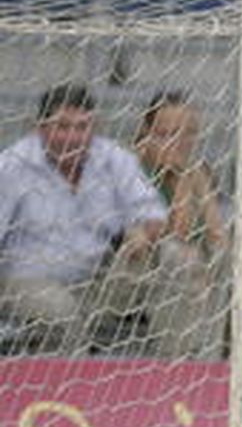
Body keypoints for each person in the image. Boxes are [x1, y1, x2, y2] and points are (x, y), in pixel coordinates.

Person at [0, 83, 167, 354]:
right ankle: (79, 386)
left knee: (174, 256)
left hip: (97, 282)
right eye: (63, 127)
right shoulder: (11, 165)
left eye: (82, 127)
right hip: (26, 283)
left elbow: (153, 213)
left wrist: (140, 232)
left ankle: (186, 371)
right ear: (39, 127)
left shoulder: (113, 157)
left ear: (95, 126)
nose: (73, 137)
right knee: (60, 310)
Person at [129, 90, 230, 357]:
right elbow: (178, 230)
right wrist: (179, 176)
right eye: (166, 133)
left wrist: (190, 174)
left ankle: (213, 356)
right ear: (146, 132)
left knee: (228, 258)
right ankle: (175, 361)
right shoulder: (131, 169)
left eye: (187, 134)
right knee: (178, 254)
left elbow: (217, 234)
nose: (178, 142)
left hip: (194, 277)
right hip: (137, 272)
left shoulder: (197, 169)